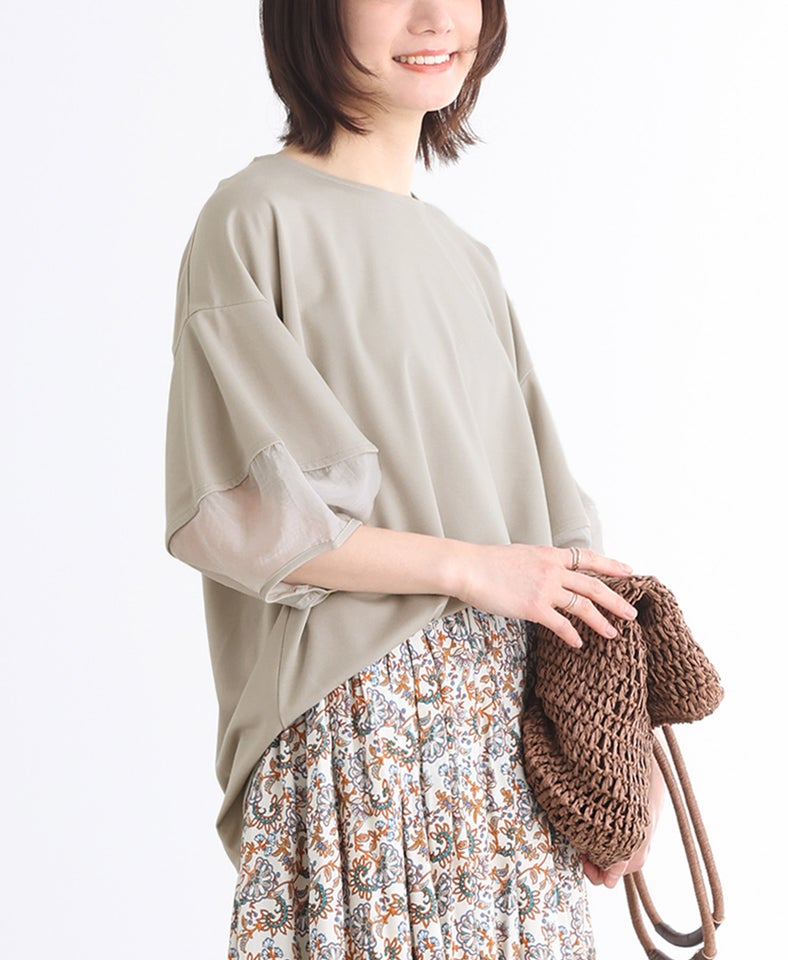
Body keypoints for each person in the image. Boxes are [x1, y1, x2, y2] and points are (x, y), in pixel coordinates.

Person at [164, 1, 664, 957]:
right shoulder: (255, 219)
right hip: (368, 723)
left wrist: (615, 752)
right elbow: (245, 518)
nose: (436, 18)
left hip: (511, 738)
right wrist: (469, 568)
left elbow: (560, 535)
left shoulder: (467, 259)